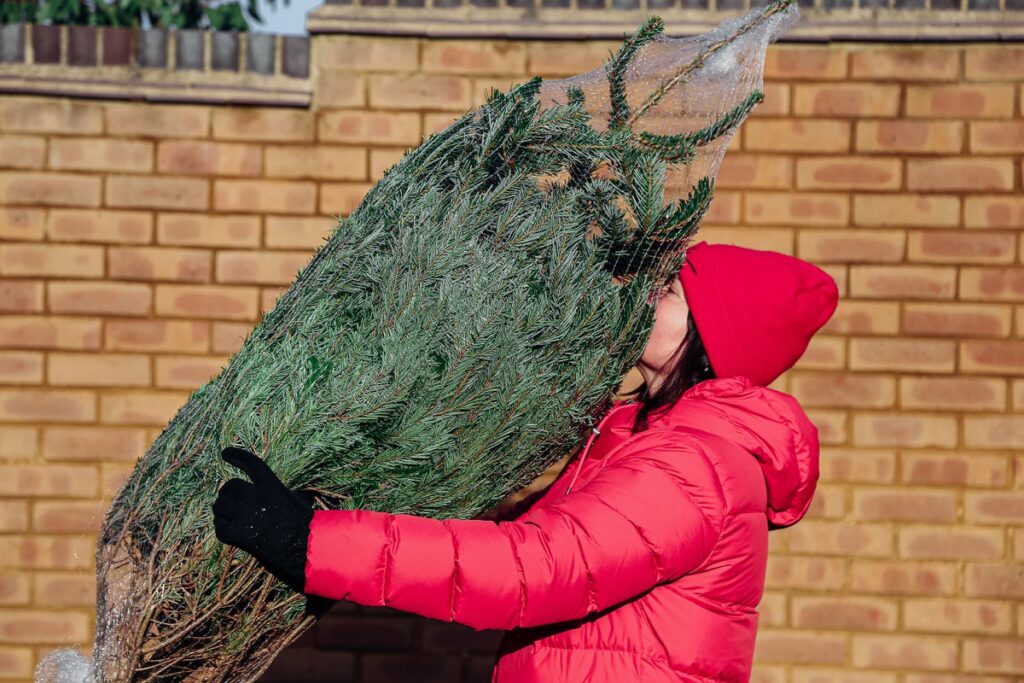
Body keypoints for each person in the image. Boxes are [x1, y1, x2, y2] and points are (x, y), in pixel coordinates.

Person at [212, 240, 840, 682]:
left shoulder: (694, 463)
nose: (648, 296)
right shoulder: (640, 437)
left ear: (711, 331)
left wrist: (313, 544)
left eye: (671, 290)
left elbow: (532, 569)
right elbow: (517, 538)